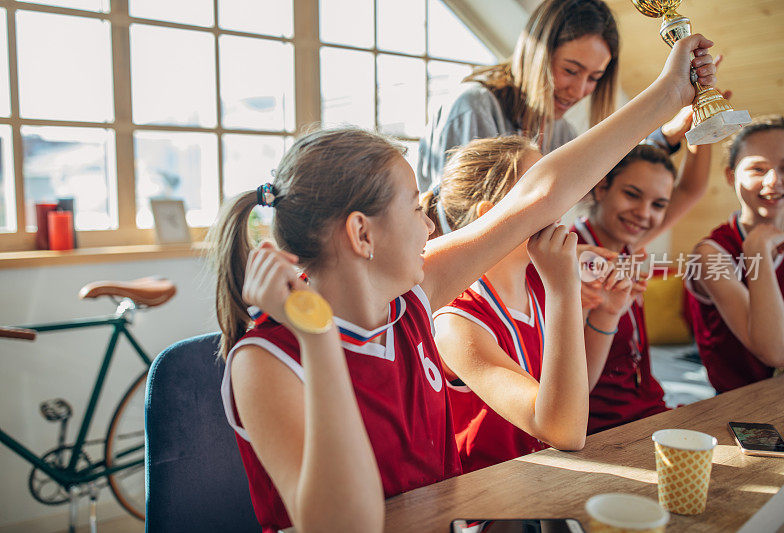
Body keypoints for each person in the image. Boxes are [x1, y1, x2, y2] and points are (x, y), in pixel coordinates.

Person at [209, 33, 715, 532]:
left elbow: (539, 194)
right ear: (362, 233)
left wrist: (669, 94)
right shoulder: (266, 361)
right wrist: (318, 342)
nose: (430, 226)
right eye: (413, 207)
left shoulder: (409, 303)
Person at [423, 136, 614, 472]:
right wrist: (564, 288)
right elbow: (564, 431)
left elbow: (573, 394)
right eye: (542, 194)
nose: (560, 202)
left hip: (542, 482)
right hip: (489, 507)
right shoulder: (456, 321)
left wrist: (608, 313)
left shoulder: (537, 286)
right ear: (492, 216)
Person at [417, 0, 691, 192]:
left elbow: (604, 177)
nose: (580, 91)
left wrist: (666, 136)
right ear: (537, 56)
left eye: (594, 78)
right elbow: (461, 224)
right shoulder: (474, 108)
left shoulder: (559, 130)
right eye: (570, 70)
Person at [574, 122, 715, 433]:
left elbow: (692, 189)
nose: (643, 213)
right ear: (601, 187)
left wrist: (704, 119)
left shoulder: (627, 244)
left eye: (658, 205)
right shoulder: (570, 253)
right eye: (632, 194)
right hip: (599, 425)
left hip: (646, 408)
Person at [685, 116, 784, 394]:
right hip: (741, 407)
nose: (774, 181)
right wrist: (757, 252)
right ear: (730, 176)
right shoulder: (710, 254)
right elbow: (775, 354)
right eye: (758, 169)